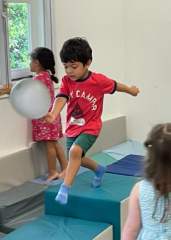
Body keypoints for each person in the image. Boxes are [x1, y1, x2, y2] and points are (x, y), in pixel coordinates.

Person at [44, 37, 140, 205]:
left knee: (74, 153)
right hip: (73, 127)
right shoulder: (67, 81)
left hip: (91, 127)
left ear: (87, 63)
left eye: (74, 67)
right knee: (77, 157)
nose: (69, 71)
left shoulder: (98, 81)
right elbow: (62, 97)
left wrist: (131, 90)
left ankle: (64, 189)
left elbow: (116, 86)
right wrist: (54, 113)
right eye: (66, 67)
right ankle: (99, 169)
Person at [0, 47, 68, 182]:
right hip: (52, 116)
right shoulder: (46, 76)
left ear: (37, 62)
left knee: (50, 145)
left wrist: (6, 90)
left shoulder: (39, 78)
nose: (29, 64)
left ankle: (52, 172)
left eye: (30, 61)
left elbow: (22, 89)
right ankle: (65, 168)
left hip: (46, 117)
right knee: (55, 144)